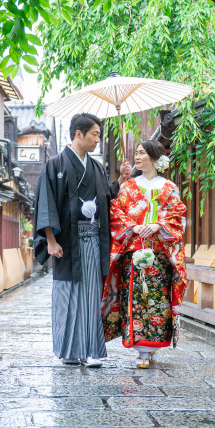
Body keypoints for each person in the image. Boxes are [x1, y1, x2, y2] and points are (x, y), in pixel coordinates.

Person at [33, 112, 131, 367]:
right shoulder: (54, 165)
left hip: (93, 241)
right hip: (67, 244)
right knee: (67, 295)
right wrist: (51, 241)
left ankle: (91, 351)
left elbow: (106, 197)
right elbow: (47, 205)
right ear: (79, 134)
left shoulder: (96, 166)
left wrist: (120, 180)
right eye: (95, 134)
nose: (98, 139)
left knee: (90, 295)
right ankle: (69, 351)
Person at [101, 140, 187, 369]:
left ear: (154, 158)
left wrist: (159, 226)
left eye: (142, 153)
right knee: (136, 300)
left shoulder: (169, 188)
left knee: (158, 302)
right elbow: (115, 211)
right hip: (134, 254)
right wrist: (133, 226)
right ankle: (141, 350)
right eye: (136, 153)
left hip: (159, 255)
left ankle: (155, 346)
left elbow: (178, 216)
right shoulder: (128, 187)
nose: (136, 157)